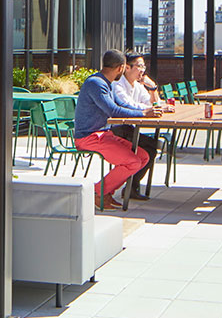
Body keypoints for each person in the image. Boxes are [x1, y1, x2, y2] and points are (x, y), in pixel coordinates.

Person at [74, 50, 152, 211]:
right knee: (133, 161)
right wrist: (143, 114)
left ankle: (105, 192)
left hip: (103, 134)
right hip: (88, 137)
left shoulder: (106, 83)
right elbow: (113, 111)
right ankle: (97, 193)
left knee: (143, 156)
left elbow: (122, 106)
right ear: (121, 68)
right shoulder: (96, 83)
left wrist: (149, 109)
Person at [110, 53, 176, 199]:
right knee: (153, 145)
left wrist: (153, 88)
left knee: (151, 150)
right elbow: (128, 105)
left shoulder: (138, 86)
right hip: (116, 130)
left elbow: (152, 103)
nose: (142, 70)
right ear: (127, 67)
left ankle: (132, 188)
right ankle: (130, 188)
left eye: (143, 66)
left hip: (130, 129)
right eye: (139, 66)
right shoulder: (118, 85)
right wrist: (153, 108)